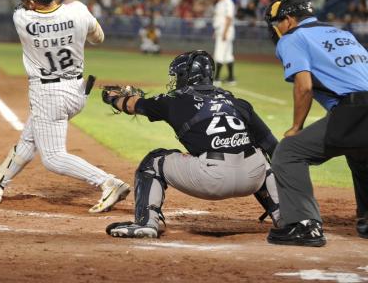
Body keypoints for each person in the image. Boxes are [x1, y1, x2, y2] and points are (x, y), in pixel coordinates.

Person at [0, 0, 130, 213]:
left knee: (52, 158)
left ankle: (108, 182)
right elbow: (98, 38)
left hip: (48, 94)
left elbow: (47, 2)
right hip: (76, 91)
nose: (22, 2)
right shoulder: (77, 11)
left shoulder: (23, 19)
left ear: (31, 0)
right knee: (29, 139)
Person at [102, 50, 280, 238]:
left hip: (212, 179)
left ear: (184, 75)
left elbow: (131, 105)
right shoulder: (237, 102)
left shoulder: (174, 100)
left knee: (153, 161)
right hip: (253, 177)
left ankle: (146, 223)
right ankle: (287, 217)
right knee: (261, 156)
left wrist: (113, 98)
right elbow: (274, 148)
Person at [264, 0, 368, 247]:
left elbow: (304, 87)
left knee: (288, 152)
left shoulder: (293, 37)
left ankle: (303, 225)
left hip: (355, 110)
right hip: (357, 110)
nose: (276, 28)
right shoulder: (342, 34)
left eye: (277, 22)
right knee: (360, 152)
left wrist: (296, 127)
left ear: (288, 20)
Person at [212, 0, 236, 85]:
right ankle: (231, 78)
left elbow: (229, 18)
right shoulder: (220, 3)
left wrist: (225, 32)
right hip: (221, 30)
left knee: (219, 53)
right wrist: (215, 31)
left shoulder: (228, 2)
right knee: (227, 55)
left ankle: (216, 79)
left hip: (225, 30)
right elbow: (219, 19)